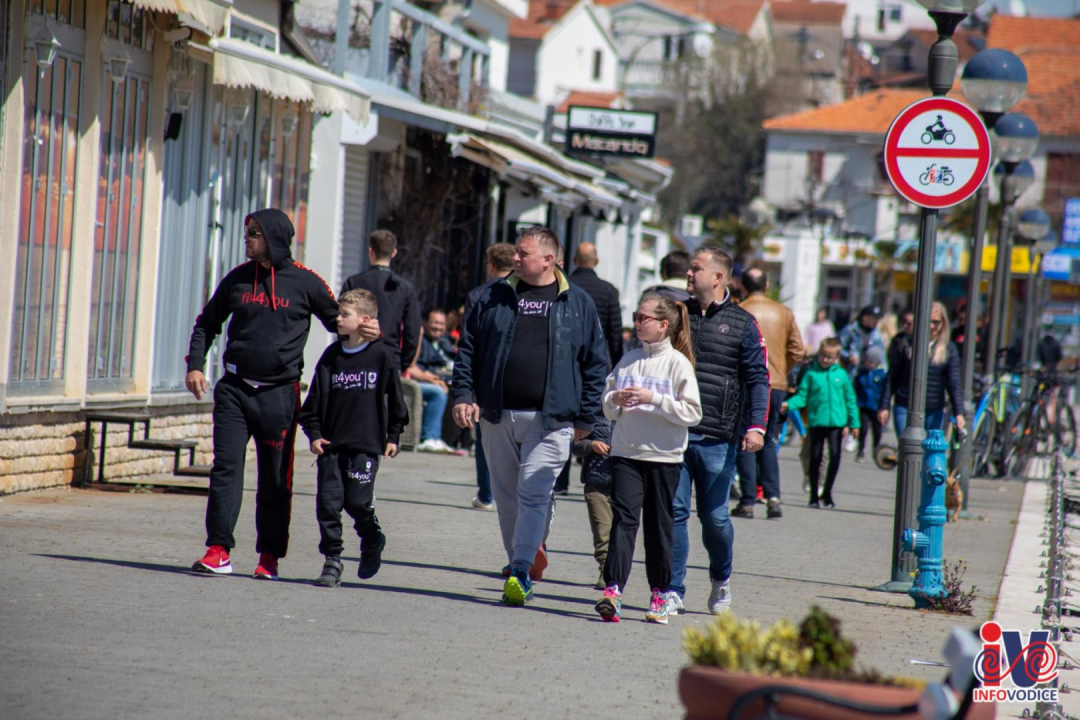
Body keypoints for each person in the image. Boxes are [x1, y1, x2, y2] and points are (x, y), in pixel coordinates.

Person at [187, 209, 378, 579]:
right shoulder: (237, 279)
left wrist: (369, 336)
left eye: (253, 233)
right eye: (247, 231)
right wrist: (196, 364)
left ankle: (269, 556)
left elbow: (340, 324)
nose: (247, 239)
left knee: (275, 480)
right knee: (225, 468)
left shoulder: (306, 282)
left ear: (273, 237)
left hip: (279, 394)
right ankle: (219, 550)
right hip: (235, 390)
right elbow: (207, 324)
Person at [450, 227, 608, 606]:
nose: (515, 258)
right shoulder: (492, 295)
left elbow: (595, 363)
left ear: (548, 259)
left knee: (533, 493)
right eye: (516, 253)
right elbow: (468, 349)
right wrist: (463, 394)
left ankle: (520, 570)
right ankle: (521, 555)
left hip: (553, 419)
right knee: (507, 499)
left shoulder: (578, 302)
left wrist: (588, 418)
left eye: (523, 254)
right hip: (496, 415)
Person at [668, 246, 770, 617]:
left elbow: (758, 378)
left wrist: (756, 426)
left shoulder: (743, 323)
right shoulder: (677, 315)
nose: (688, 273)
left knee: (714, 518)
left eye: (696, 268)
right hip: (675, 432)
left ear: (717, 277)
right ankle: (672, 589)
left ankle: (721, 578)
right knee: (675, 512)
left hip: (718, 436)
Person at [595, 294, 702, 624]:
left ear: (664, 325)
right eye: (636, 316)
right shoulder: (628, 359)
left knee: (658, 526)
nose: (637, 323)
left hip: (664, 457)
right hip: (626, 453)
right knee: (623, 521)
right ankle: (613, 591)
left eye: (643, 318)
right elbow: (607, 406)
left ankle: (660, 594)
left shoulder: (678, 363)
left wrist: (653, 398)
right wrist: (616, 398)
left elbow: (693, 413)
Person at [299, 289, 409, 587]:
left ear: (365, 320)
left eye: (344, 314)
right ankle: (332, 560)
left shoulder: (381, 355)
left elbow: (396, 399)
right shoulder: (331, 356)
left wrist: (394, 436)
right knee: (328, 505)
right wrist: (314, 434)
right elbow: (313, 401)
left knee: (358, 503)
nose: (337, 318)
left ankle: (372, 538)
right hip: (331, 446)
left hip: (366, 445)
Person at [732, 267, 804, 520]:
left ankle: (748, 501)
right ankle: (773, 498)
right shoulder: (783, 312)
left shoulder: (739, 310)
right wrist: (782, 369)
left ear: (742, 286)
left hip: (748, 382)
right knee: (768, 439)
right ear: (766, 285)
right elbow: (797, 350)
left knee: (745, 438)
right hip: (776, 384)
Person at [463, 243, 516, 511]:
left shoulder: (477, 294)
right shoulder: (521, 292)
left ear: (491, 265)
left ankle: (486, 493)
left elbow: (469, 343)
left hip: (484, 377)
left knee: (485, 436)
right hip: (512, 377)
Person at [783, 338, 860, 508]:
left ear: (836, 358)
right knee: (815, 457)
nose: (825, 360)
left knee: (835, 456)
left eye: (829, 357)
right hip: (817, 422)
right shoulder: (811, 374)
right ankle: (813, 495)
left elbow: (850, 400)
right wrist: (788, 404)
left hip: (836, 424)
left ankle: (827, 492)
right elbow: (802, 396)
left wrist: (854, 423)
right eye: (822, 356)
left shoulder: (841, 375)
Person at [340, 230, 421, 371]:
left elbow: (342, 321)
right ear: (394, 253)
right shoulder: (405, 288)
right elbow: (412, 331)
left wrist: (346, 349)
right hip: (390, 358)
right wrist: (403, 363)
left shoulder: (354, 283)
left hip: (357, 355)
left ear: (370, 251)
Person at [878, 302, 964, 435]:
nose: (931, 326)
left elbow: (954, 383)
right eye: (928, 321)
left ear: (943, 324)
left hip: (933, 409)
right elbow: (892, 376)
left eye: (936, 322)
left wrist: (959, 412)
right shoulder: (906, 343)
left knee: (928, 446)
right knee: (907, 445)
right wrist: (884, 406)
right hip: (904, 405)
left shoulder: (949, 349)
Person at [407, 309, 457, 454]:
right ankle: (429, 437)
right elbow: (411, 367)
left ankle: (449, 440)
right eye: (435, 323)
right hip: (413, 383)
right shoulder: (419, 340)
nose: (438, 327)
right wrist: (432, 379)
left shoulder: (445, 342)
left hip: (444, 379)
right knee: (438, 392)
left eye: (441, 324)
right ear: (426, 323)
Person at [572, 414, 613, 590]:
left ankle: (618, 572)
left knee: (622, 532)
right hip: (596, 482)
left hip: (627, 485)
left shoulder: (635, 415)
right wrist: (590, 445)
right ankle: (605, 569)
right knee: (601, 530)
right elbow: (575, 445)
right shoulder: (591, 413)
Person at [570, 242, 624, 368]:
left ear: (574, 260)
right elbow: (615, 333)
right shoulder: (609, 290)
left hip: (567, 352)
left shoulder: (564, 286)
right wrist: (618, 365)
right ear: (597, 261)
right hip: (595, 356)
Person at [854, 346, 886, 463]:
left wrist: (884, 406)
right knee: (863, 429)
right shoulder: (862, 373)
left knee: (877, 432)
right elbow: (856, 388)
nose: (868, 363)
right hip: (864, 406)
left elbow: (885, 392)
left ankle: (876, 450)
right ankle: (861, 450)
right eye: (866, 361)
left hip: (877, 408)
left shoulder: (882, 375)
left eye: (871, 362)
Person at [839, 305, 885, 372]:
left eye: (877, 319)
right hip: (851, 372)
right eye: (874, 318)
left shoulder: (876, 334)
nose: (876, 321)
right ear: (864, 318)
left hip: (867, 374)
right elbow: (839, 349)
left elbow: (882, 356)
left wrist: (883, 370)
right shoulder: (851, 330)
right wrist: (849, 357)